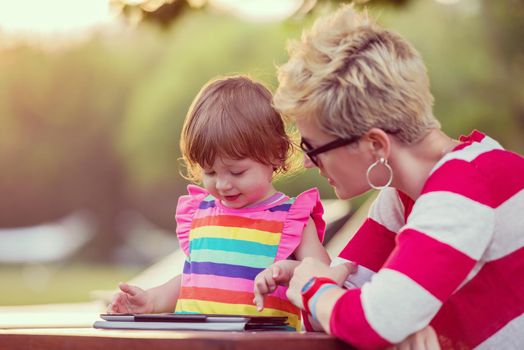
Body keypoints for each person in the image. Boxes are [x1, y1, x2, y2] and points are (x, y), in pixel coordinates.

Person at [255, 5, 524, 349]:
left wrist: (313, 289)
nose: (308, 163)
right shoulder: (403, 196)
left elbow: (371, 322)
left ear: (375, 145)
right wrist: (310, 284)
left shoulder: (465, 187)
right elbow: (346, 307)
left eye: (313, 148)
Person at [106, 75, 331, 331]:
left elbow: (323, 276)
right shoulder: (200, 213)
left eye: (236, 172)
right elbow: (194, 281)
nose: (222, 185)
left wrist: (290, 270)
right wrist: (152, 301)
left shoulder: (292, 219)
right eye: (210, 172)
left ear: (276, 154)